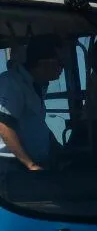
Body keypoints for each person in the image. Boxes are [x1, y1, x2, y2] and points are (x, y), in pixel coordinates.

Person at [0, 35, 64, 182]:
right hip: (12, 167)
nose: (62, 68)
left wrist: (57, 149)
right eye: (60, 62)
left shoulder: (35, 86)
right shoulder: (11, 82)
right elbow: (3, 125)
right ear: (43, 63)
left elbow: (35, 123)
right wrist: (30, 165)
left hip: (29, 164)